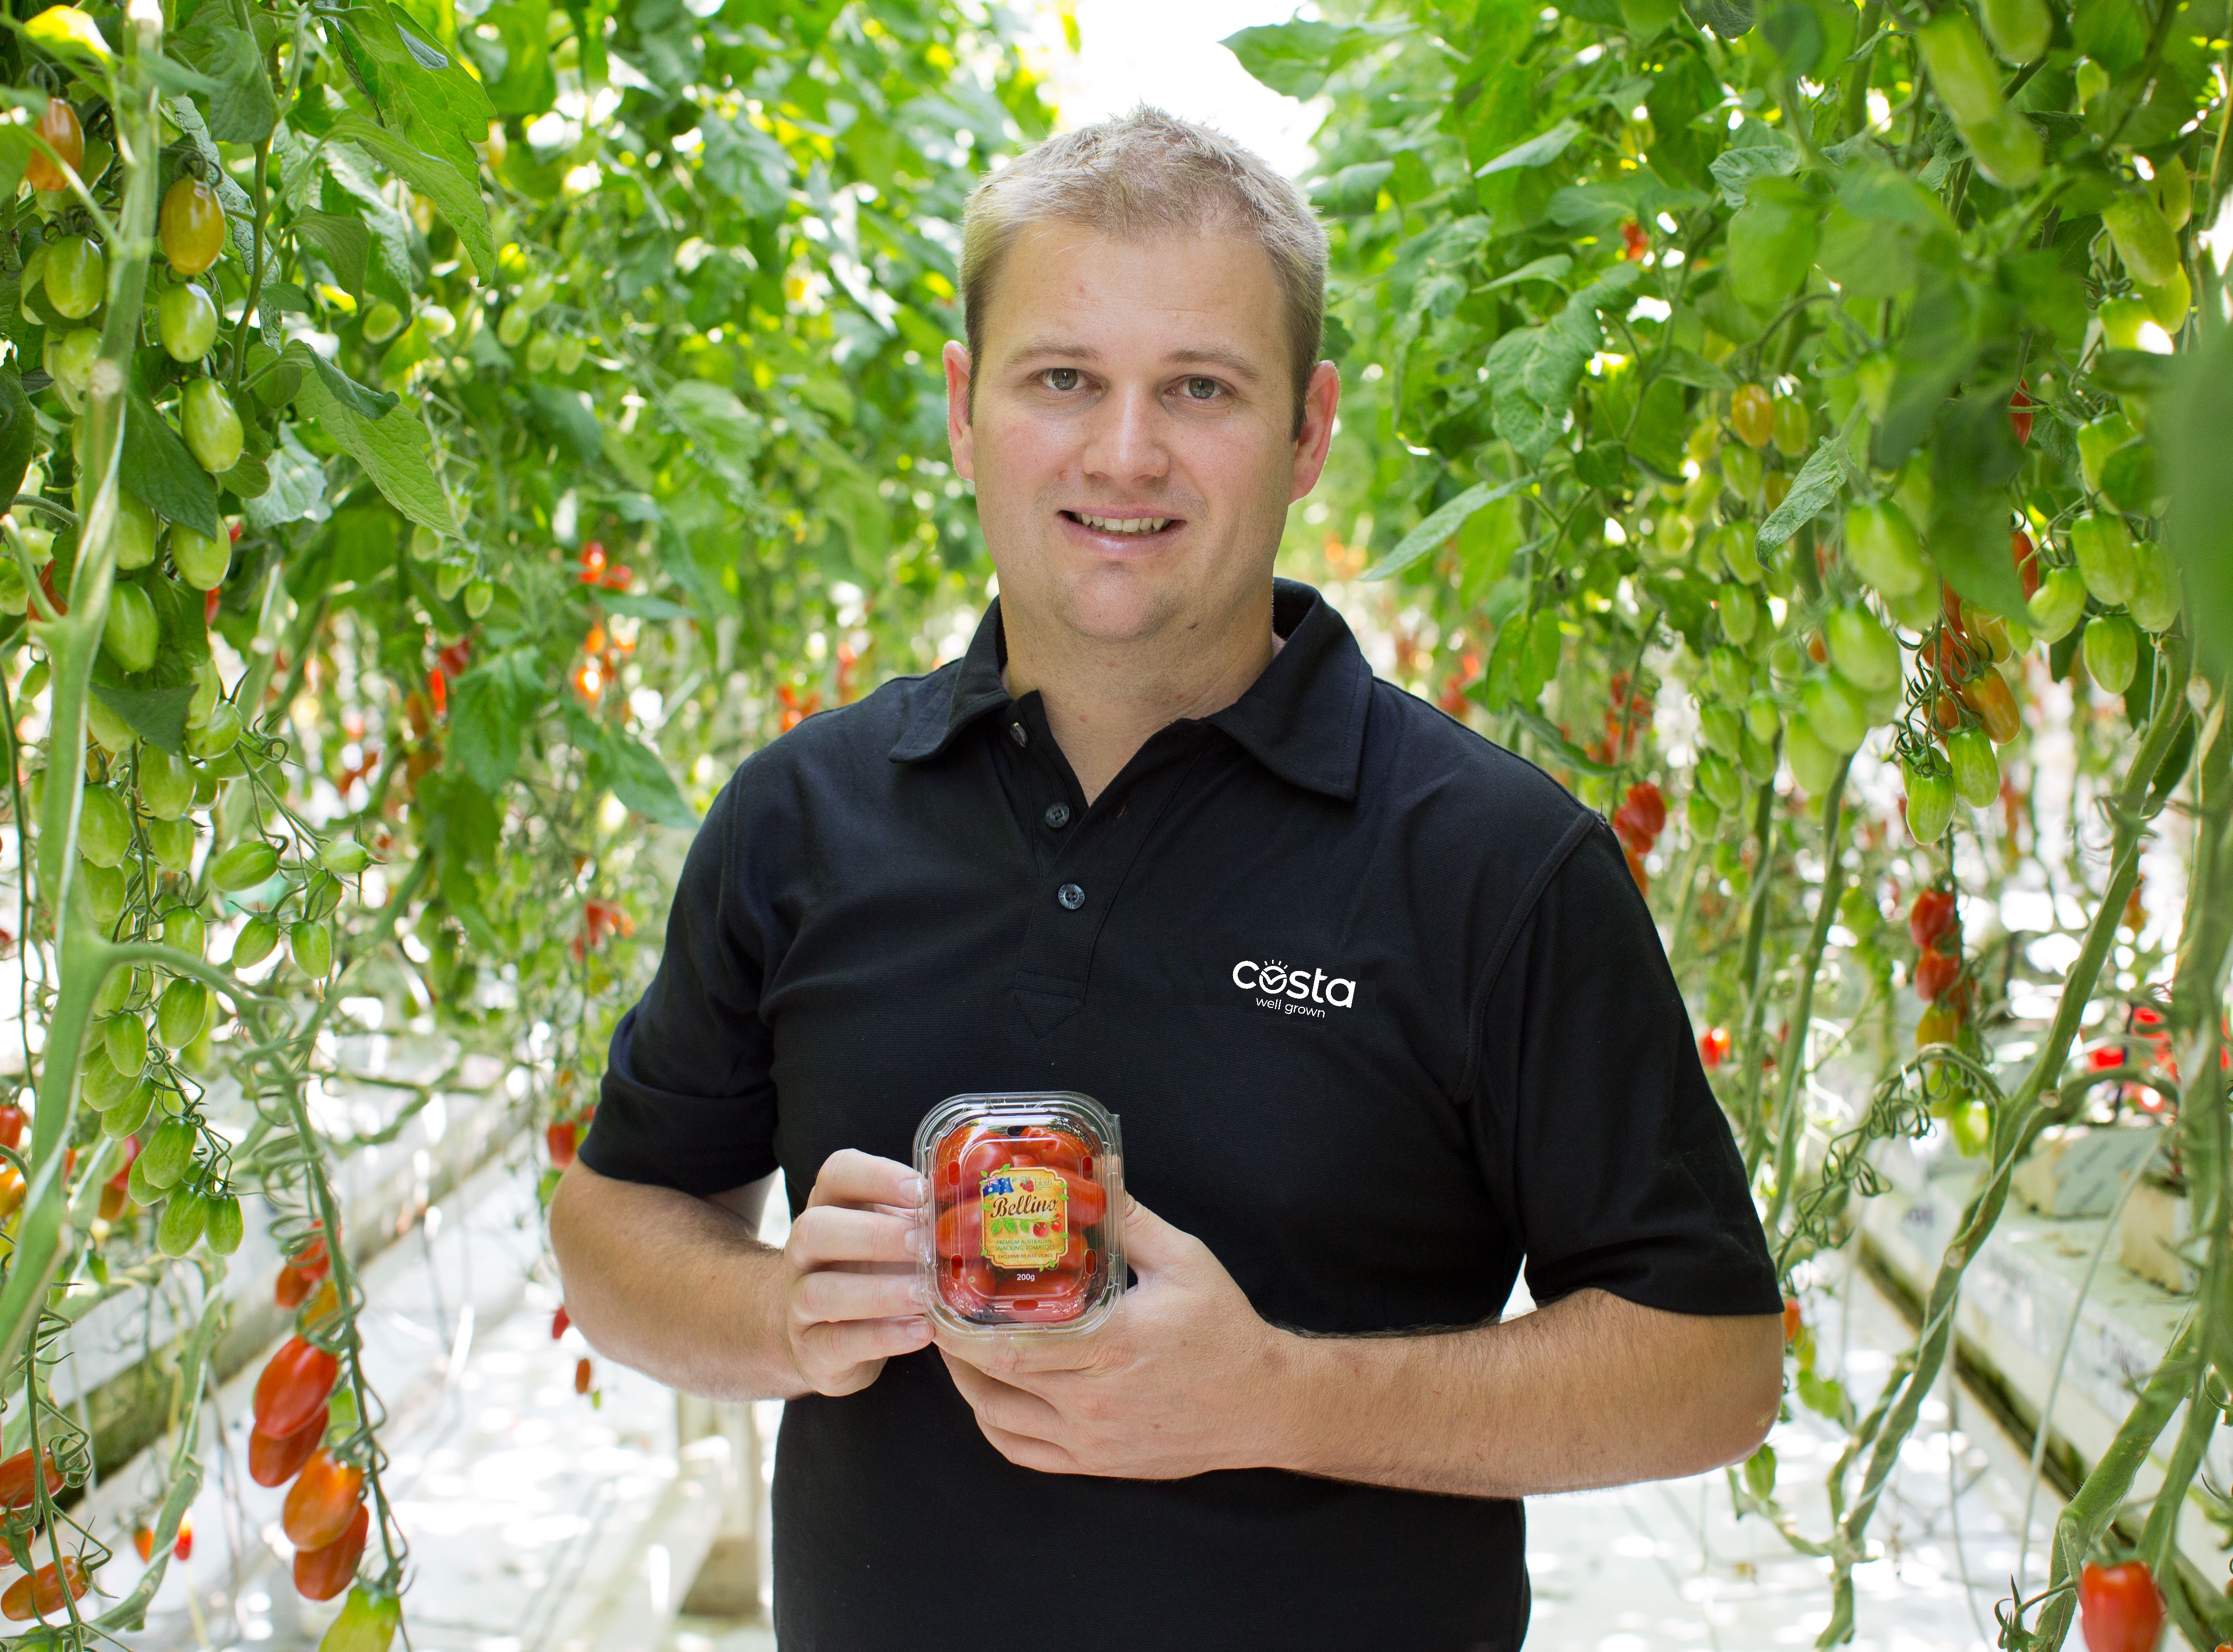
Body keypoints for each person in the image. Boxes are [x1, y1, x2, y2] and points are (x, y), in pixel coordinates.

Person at [550, 106, 1783, 1650]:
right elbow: (615, 1228)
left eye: (1198, 389)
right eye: (1063, 379)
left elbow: (1713, 1364)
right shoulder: (804, 817)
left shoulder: (1492, 861)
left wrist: (1283, 1397)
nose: (1123, 453)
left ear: (1308, 430)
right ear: (962, 409)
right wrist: (777, 1313)